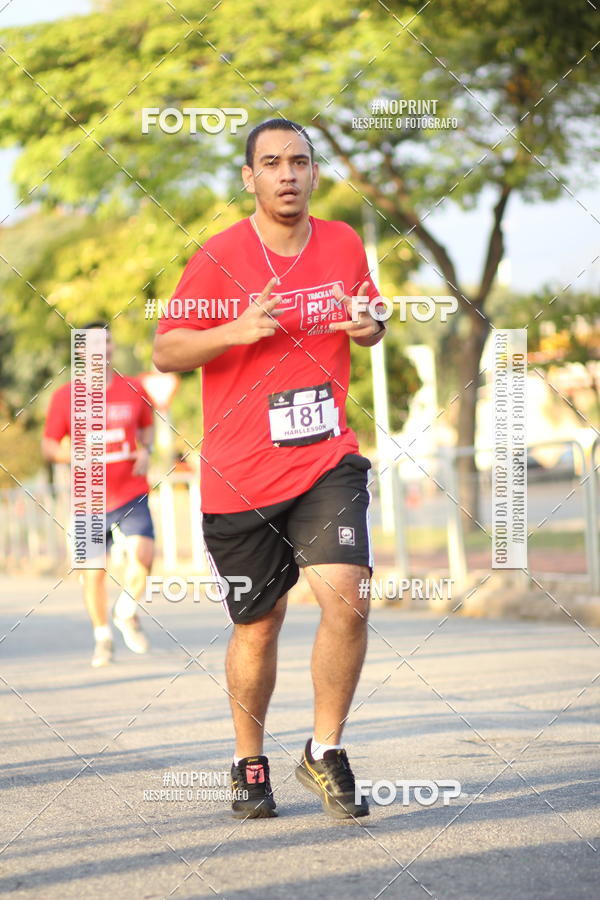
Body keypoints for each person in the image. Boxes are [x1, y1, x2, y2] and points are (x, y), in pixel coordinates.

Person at [153, 119, 386, 820]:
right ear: (250, 178)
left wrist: (370, 325)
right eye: (272, 163)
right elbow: (167, 352)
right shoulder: (219, 258)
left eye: (300, 162)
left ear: (314, 173)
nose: (288, 174)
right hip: (240, 472)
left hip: (326, 457)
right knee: (260, 622)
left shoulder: (343, 241)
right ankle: (247, 759)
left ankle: (324, 749)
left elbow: (370, 316)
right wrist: (235, 331)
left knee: (347, 593)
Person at [43, 322, 155, 667]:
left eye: (106, 342)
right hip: (87, 499)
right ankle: (103, 638)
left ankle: (125, 611)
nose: (101, 350)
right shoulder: (65, 398)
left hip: (131, 492)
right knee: (93, 572)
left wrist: (145, 451)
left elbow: (147, 429)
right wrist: (73, 455)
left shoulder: (133, 388)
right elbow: (49, 445)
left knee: (144, 558)